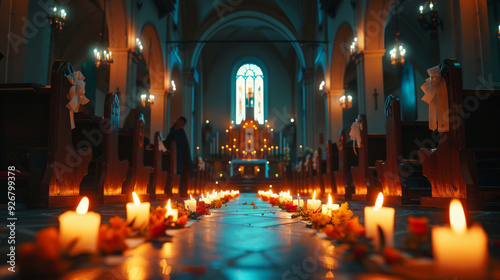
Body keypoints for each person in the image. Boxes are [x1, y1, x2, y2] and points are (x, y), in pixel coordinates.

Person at [164, 116, 193, 197]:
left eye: (180, 121)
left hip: (181, 159)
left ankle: (179, 193)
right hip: (177, 158)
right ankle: (174, 192)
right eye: (178, 120)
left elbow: (182, 147)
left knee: (181, 178)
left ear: (182, 124)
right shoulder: (174, 131)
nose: (177, 122)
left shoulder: (180, 132)